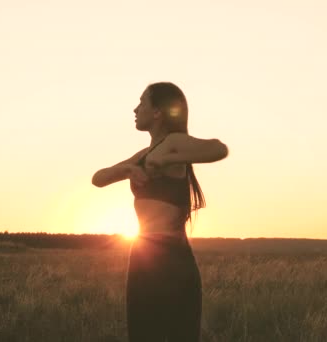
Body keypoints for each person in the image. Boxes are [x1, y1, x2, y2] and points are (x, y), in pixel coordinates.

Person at [91, 82, 228, 342]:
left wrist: (169, 159)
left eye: (142, 102)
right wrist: (129, 170)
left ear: (157, 113)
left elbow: (219, 148)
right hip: (142, 255)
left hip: (171, 258)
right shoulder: (143, 154)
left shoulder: (173, 142)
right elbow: (98, 178)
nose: (135, 108)